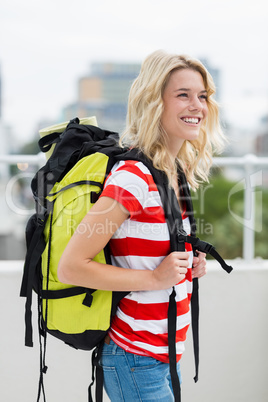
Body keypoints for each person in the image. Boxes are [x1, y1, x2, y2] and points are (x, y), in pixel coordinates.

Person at [58, 49, 226, 401]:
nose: (197, 105)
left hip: (163, 352)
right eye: (183, 95)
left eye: (202, 96)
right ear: (154, 103)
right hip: (136, 356)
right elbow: (71, 267)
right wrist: (154, 277)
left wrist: (184, 265)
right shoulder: (133, 176)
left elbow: (144, 253)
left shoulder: (172, 171)